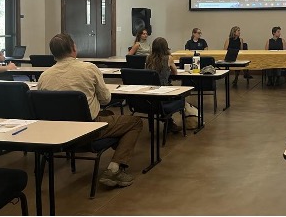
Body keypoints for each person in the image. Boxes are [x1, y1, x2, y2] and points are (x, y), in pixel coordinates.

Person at [37, 33, 143, 188]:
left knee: (110, 116)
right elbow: (106, 99)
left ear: (53, 53)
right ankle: (114, 169)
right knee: (134, 122)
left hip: (58, 133)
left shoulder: (44, 77)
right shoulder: (89, 68)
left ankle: (118, 151)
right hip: (88, 131)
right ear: (73, 48)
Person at [145, 37, 182, 133]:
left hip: (150, 92)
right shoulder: (168, 58)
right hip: (164, 92)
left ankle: (168, 120)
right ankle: (169, 121)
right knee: (181, 95)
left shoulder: (148, 58)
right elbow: (175, 73)